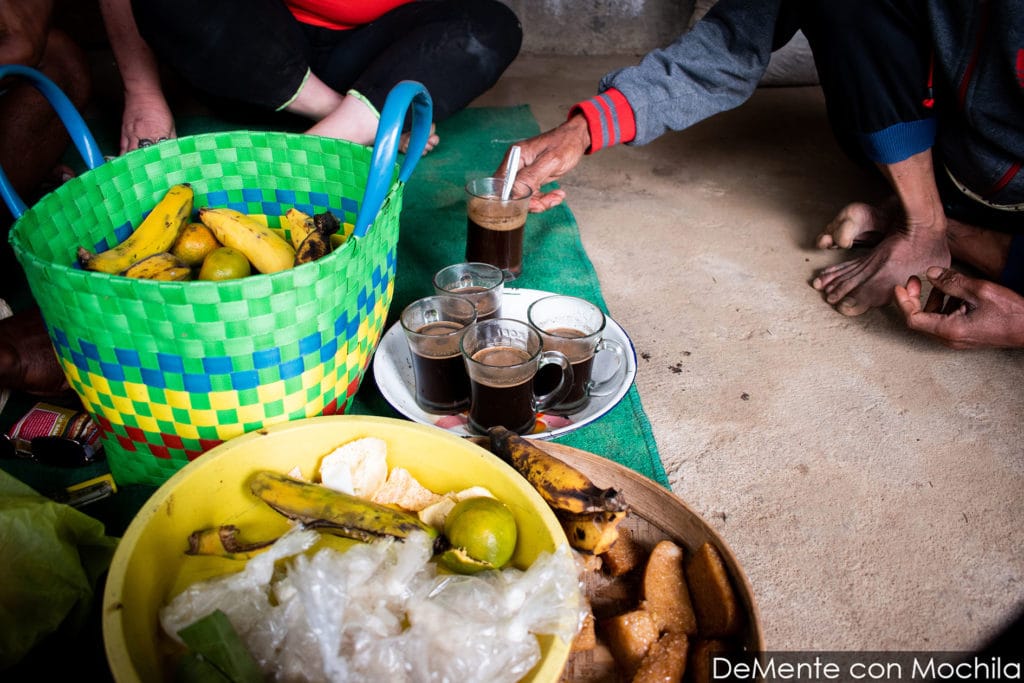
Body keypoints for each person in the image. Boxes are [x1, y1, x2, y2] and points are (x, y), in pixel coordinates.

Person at [501, 0, 1024, 349]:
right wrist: (586, 129)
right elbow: (731, 44)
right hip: (925, 153)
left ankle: (933, 225)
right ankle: (925, 217)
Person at [128, 0, 524, 152]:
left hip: (378, 55)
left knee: (492, 27)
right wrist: (143, 94)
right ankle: (360, 119)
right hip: (255, 61)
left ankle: (301, 156)